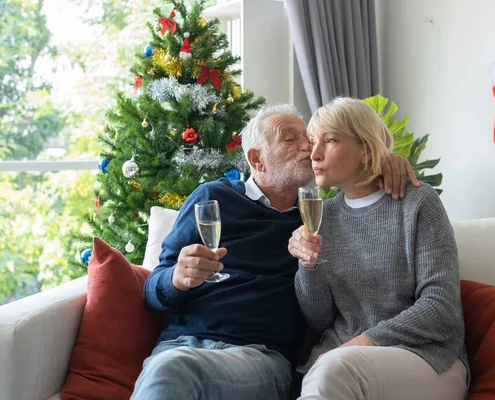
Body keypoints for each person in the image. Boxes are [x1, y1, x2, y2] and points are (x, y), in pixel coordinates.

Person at [131, 103, 419, 400]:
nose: (308, 146)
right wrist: (177, 277)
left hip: (260, 358)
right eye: (290, 139)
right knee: (170, 366)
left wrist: (387, 161)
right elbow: (153, 291)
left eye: (308, 138)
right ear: (257, 159)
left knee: (171, 370)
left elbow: (361, 176)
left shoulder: (319, 217)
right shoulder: (212, 199)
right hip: (182, 344)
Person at [287, 97, 469, 400]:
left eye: (330, 140)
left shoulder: (417, 203)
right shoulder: (324, 214)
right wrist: (308, 266)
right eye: (312, 141)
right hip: (342, 361)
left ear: (366, 149)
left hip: (429, 358)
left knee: (334, 371)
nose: (314, 154)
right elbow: (318, 319)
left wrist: (362, 342)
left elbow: (441, 306)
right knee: (329, 372)